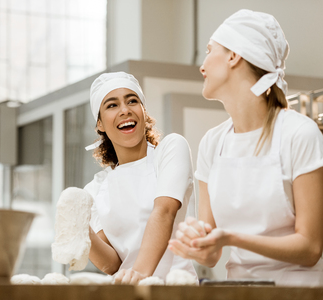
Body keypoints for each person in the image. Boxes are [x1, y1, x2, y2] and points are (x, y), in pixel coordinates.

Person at [168, 9, 323, 287]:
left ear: (234, 55)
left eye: (209, 50)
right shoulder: (212, 143)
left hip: (298, 292)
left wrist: (231, 238)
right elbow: (211, 256)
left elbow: (310, 248)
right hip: (238, 292)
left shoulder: (299, 134)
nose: (201, 66)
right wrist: (197, 242)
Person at [83, 72, 197, 284]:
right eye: (111, 105)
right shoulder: (96, 188)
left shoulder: (170, 150)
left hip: (177, 289)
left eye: (132, 101)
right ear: (100, 124)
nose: (125, 110)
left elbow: (164, 212)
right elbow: (113, 265)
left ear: (143, 111)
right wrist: (80, 231)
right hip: (129, 290)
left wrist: (140, 276)